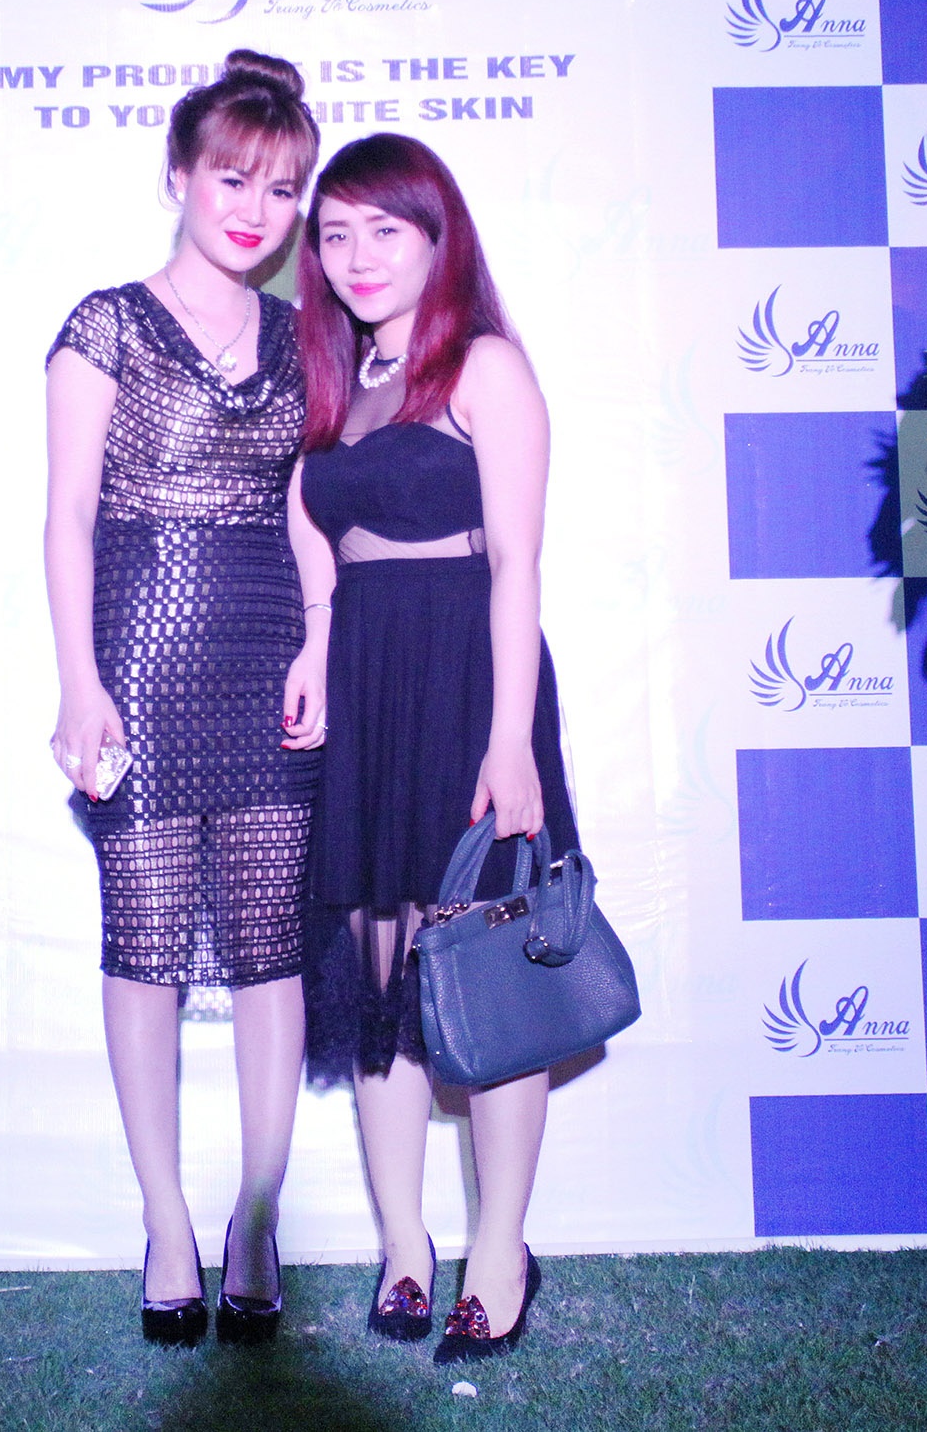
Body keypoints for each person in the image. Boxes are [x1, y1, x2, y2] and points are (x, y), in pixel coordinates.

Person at [43, 50, 330, 1346]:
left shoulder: (307, 338)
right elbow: (65, 518)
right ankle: (164, 1221)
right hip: (140, 657)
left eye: (281, 187)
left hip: (268, 652)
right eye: (232, 178)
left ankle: (255, 1218)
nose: (256, 209)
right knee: (146, 940)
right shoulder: (104, 325)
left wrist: (320, 642)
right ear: (178, 175)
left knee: (271, 944)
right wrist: (79, 682)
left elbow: (307, 514)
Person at [290, 133, 576, 1363]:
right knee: (382, 983)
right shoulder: (334, 373)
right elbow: (315, 528)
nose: (355, 256)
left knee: (488, 979)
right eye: (333, 235)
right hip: (364, 681)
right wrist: (315, 645)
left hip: (467, 674)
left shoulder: (484, 365)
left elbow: (515, 563)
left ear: (434, 236)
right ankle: (402, 1248)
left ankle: (497, 1251)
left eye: (382, 230)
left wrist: (508, 740)